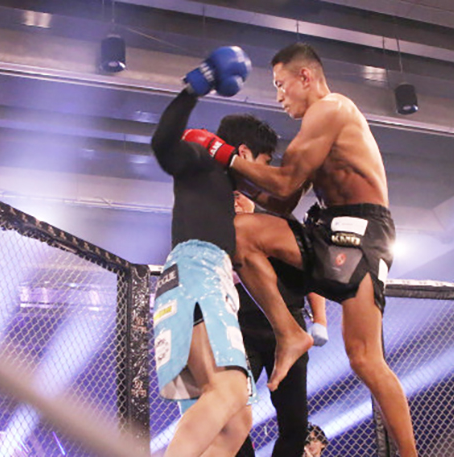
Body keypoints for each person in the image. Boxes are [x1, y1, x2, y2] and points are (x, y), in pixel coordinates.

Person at [192, 43, 418, 456]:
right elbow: (282, 202)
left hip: (363, 233)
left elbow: (283, 181)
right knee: (240, 233)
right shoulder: (313, 129)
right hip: (326, 229)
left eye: (280, 84)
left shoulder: (332, 110)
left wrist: (223, 155)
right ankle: (289, 332)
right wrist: (228, 176)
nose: (278, 96)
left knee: (365, 358)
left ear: (305, 77)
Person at [150, 46, 278, 457]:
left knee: (236, 421)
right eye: (263, 162)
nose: (262, 173)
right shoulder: (206, 162)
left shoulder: (226, 189)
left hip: (199, 282)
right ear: (244, 153)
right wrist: (192, 90)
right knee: (229, 390)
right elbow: (163, 146)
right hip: (196, 274)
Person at [233, 191, 328, 457]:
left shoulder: (277, 224)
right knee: (231, 410)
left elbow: (310, 273)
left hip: (288, 326)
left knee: (295, 420)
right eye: (227, 197)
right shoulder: (221, 232)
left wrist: (320, 320)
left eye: (238, 195)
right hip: (240, 329)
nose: (234, 203)